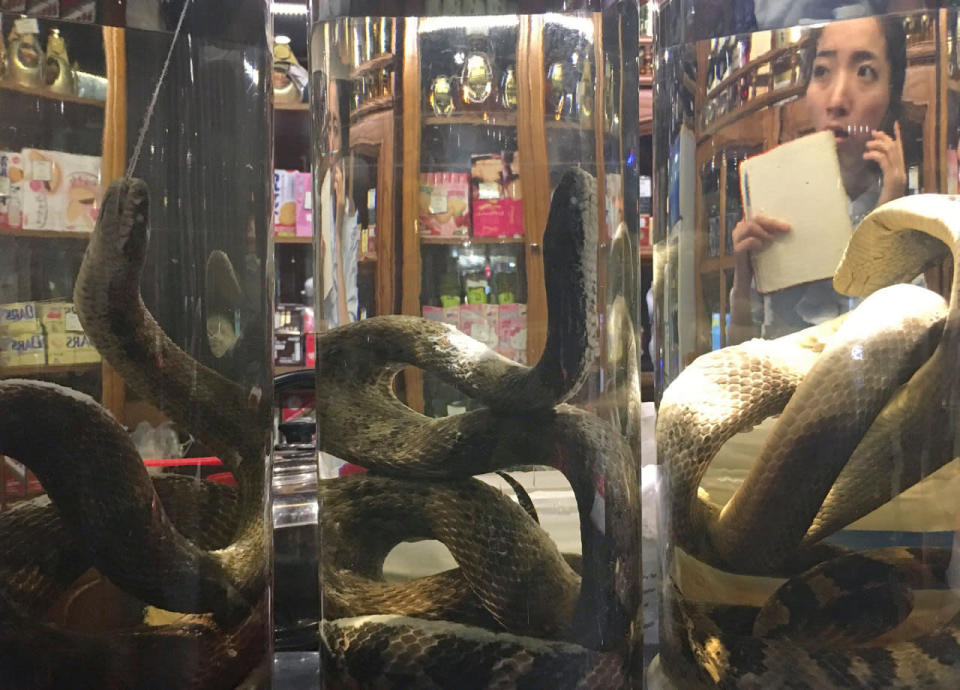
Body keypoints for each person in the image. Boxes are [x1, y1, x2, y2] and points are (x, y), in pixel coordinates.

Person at [729, 15, 907, 341]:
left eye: (864, 71)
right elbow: (739, 355)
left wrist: (887, 219)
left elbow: (897, 353)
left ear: (891, 93)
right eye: (821, 71)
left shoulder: (902, 217)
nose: (837, 101)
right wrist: (744, 275)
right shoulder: (776, 199)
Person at [318, 76, 360, 329]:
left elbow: (345, 323)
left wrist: (339, 217)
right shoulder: (320, 188)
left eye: (334, 127)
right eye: (324, 128)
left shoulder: (342, 194)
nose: (327, 141)